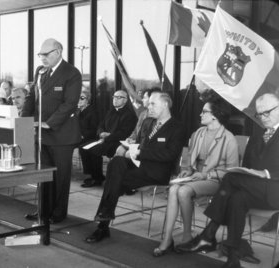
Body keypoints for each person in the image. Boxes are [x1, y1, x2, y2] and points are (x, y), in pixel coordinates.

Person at [176, 92, 279, 268]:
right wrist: (252, 172)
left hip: (276, 191)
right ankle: (233, 258)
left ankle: (209, 234)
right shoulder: (256, 135)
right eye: (260, 114)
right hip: (255, 190)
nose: (263, 118)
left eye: (267, 112)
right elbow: (246, 166)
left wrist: (267, 174)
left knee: (231, 178)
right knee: (236, 198)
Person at [85, 91, 186, 243]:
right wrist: (129, 146)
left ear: (165, 104)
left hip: (157, 172)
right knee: (116, 163)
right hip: (137, 167)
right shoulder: (147, 122)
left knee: (114, 180)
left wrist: (140, 153)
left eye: (153, 104)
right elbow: (138, 143)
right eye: (149, 103)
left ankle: (103, 225)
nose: (148, 106)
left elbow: (170, 155)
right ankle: (104, 220)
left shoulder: (177, 127)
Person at [153, 97, 239, 257]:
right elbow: (189, 160)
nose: (200, 114)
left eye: (204, 111)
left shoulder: (229, 139)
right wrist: (187, 170)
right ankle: (167, 238)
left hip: (215, 180)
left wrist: (206, 174)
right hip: (195, 177)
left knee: (183, 191)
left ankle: (186, 235)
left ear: (215, 115)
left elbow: (232, 172)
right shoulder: (198, 133)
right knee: (174, 190)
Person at [22, 38, 82, 224]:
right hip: (42, 134)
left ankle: (57, 213)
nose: (42, 58)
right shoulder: (40, 72)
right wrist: (24, 120)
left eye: (46, 55)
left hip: (61, 134)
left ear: (58, 52)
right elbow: (32, 97)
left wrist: (49, 123)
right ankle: (42, 210)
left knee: (60, 177)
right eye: (40, 55)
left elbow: (70, 103)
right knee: (42, 174)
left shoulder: (71, 73)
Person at [80, 90, 137, 188]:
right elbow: (100, 125)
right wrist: (101, 133)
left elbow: (124, 133)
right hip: (104, 140)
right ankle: (91, 175)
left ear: (126, 100)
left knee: (94, 150)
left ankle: (97, 178)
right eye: (114, 97)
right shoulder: (110, 111)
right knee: (83, 147)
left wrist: (107, 137)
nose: (115, 99)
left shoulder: (130, 115)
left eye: (119, 97)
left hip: (117, 143)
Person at [115, 88, 154, 157]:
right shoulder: (143, 114)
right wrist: (130, 138)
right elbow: (136, 131)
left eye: (145, 98)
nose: (142, 100)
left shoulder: (155, 116)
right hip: (135, 142)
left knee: (127, 154)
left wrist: (136, 142)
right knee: (119, 150)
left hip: (143, 145)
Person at [77, 89, 98, 177]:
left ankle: (89, 175)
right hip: (76, 137)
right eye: (77, 98)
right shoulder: (77, 112)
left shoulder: (92, 112)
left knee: (84, 148)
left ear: (87, 100)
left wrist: (82, 136)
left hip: (88, 138)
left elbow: (94, 130)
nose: (78, 100)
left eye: (82, 98)